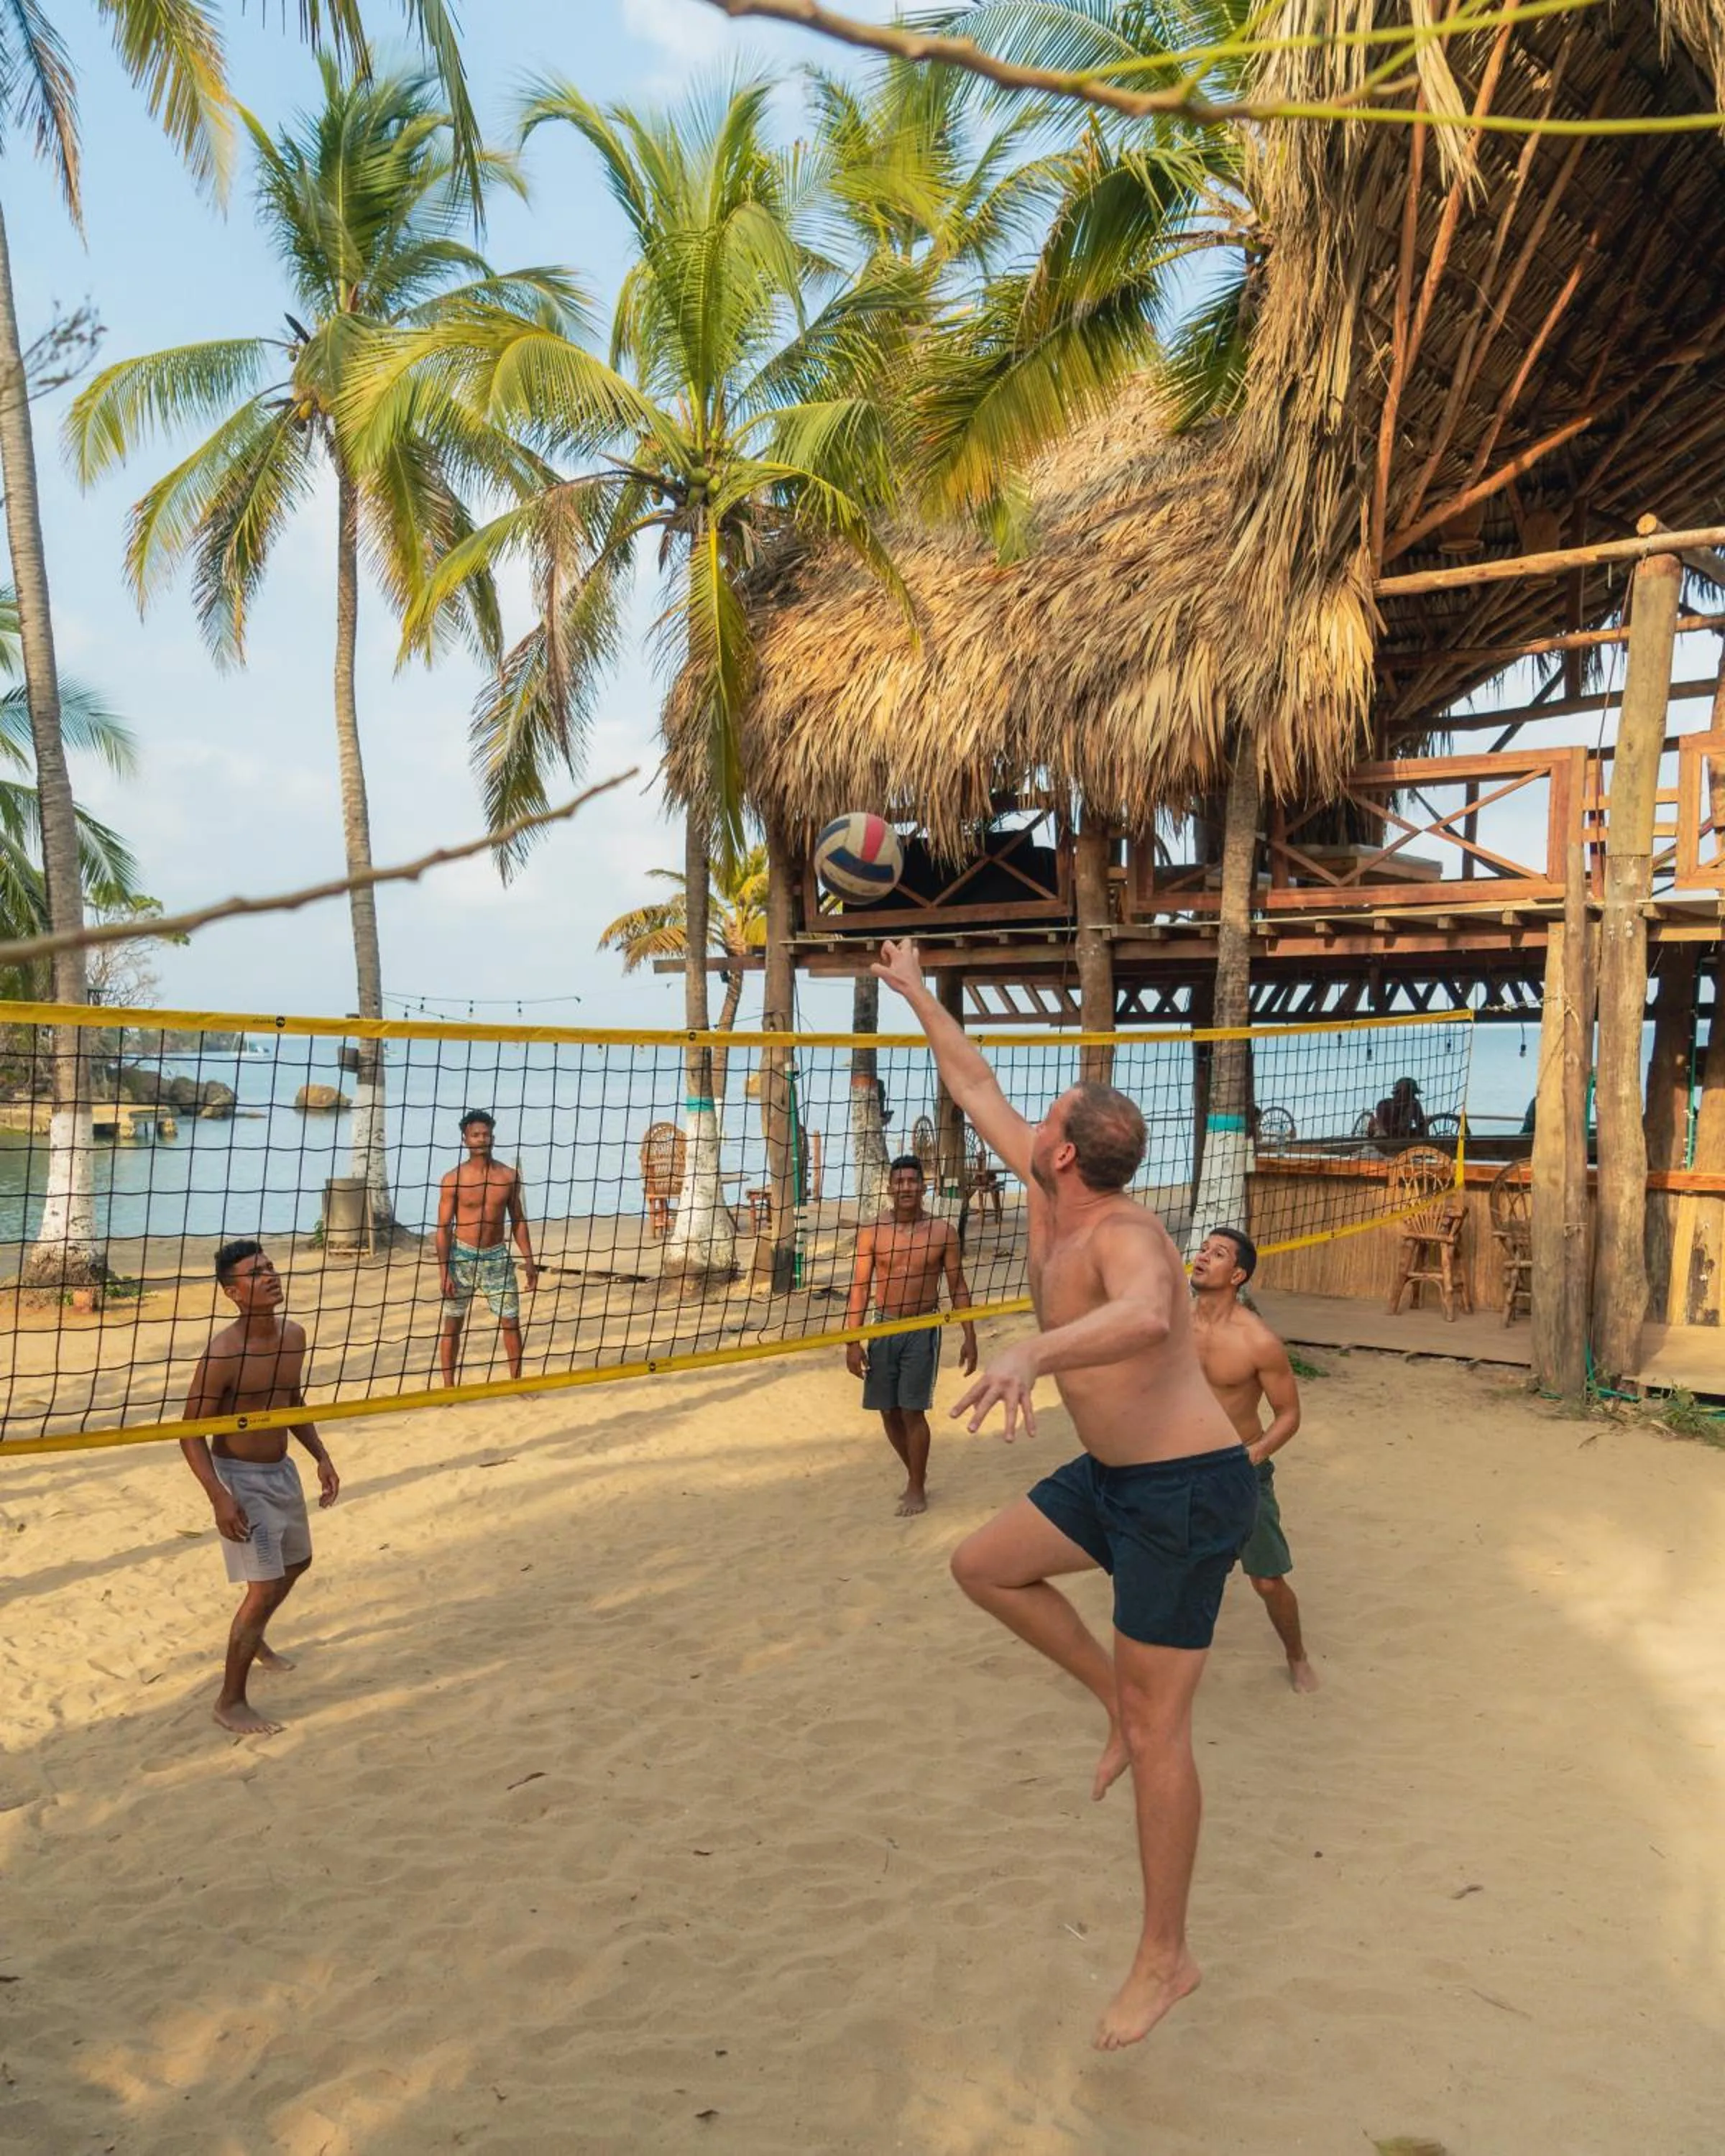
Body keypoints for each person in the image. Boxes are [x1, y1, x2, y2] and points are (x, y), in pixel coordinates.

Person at [872, 937, 1257, 2053]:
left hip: (1185, 1492)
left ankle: (1166, 1957)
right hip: (1114, 1479)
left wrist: (1033, 1354)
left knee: (1167, 1730)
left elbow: (1149, 1314)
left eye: (1045, 1116)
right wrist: (916, 993)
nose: (1026, 1118)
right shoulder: (1051, 1193)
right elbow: (973, 1081)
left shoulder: (1126, 1232)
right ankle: (1112, 1703)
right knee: (983, 1566)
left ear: (1067, 1152)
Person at [179, 1240, 340, 1738]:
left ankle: (257, 1637)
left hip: (281, 1470)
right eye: (256, 1273)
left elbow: (290, 1401)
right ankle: (230, 1702)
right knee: (265, 1587)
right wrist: (219, 1496)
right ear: (233, 1292)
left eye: (270, 1268)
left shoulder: (294, 1336)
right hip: (240, 1479)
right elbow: (189, 1433)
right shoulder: (223, 1355)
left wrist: (320, 1455)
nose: (270, 1276)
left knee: (298, 1563)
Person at [1188, 1227, 1318, 1693]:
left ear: (1237, 1275)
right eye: (1204, 1248)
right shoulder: (1175, 1324)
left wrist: (1252, 1456)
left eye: (1218, 1253)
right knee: (1176, 1573)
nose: (1204, 1255)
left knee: (1266, 1581)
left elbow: (1289, 1415)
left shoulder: (1258, 1341)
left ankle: (1297, 1657)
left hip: (1241, 1474)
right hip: (1184, 1472)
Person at [844, 1153, 979, 1516]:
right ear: (890, 1188)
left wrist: (969, 1334)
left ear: (923, 1187)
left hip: (922, 1327)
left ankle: (916, 1486)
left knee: (912, 1411)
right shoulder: (873, 1232)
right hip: (883, 1325)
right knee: (888, 1411)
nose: (906, 1187)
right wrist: (852, 1342)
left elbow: (957, 1285)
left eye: (912, 1181)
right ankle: (915, 1472)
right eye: (899, 1182)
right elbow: (860, 1288)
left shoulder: (942, 1232)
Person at [437, 1110, 538, 1383]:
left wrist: (529, 1260)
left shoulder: (508, 1176)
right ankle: (449, 1388)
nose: (482, 1139)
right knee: (453, 1324)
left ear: (493, 1138)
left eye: (486, 1134)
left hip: (497, 1257)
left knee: (511, 1321)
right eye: (476, 1135)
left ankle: (516, 1383)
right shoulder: (453, 1179)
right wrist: (444, 1271)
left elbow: (518, 1220)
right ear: (465, 1139)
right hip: (462, 1257)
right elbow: (443, 1228)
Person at [1372, 1074, 1427, 1140]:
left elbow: (1422, 1127)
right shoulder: (1384, 1105)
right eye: (1410, 1093)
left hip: (1406, 1140)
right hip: (1386, 1141)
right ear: (1401, 1093)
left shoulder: (1414, 1104)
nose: (1413, 1097)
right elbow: (1393, 1132)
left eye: (1413, 1094)